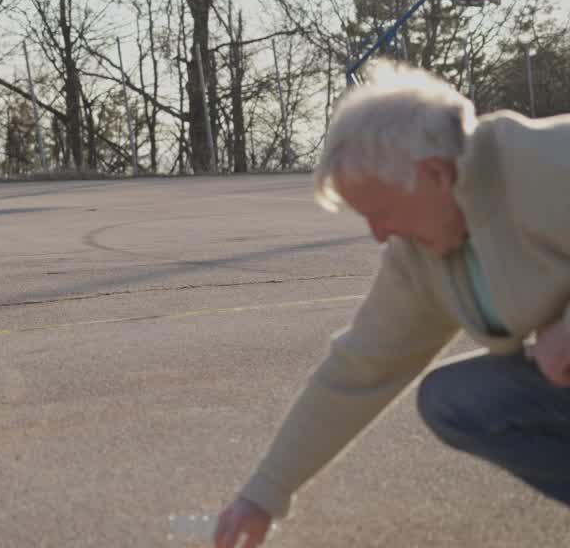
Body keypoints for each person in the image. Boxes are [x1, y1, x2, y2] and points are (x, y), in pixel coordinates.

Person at [215, 63, 570, 548]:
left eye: (381, 212)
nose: (379, 234)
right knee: (456, 399)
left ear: (435, 174)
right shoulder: (422, 256)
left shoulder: (539, 159)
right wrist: (262, 496)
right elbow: (357, 370)